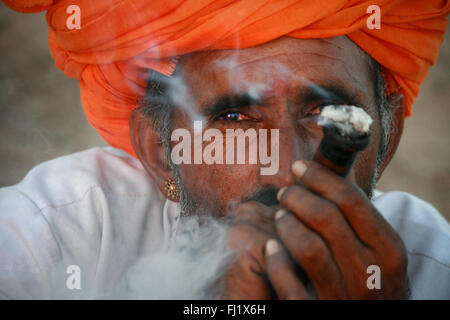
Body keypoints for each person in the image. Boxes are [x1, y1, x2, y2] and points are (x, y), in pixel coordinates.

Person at [0, 0, 449, 299]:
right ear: (161, 152)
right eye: (234, 119)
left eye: (327, 115)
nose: (284, 168)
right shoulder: (49, 235)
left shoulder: (433, 267)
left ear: (386, 140)